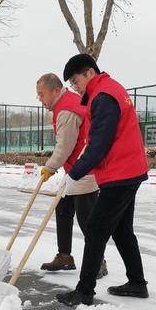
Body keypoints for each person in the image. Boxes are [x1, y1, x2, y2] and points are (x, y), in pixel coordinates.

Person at [56, 54, 149, 307]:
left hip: (121, 172)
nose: (76, 88)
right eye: (72, 85)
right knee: (121, 229)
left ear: (89, 73)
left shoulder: (104, 96)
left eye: (76, 82)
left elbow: (99, 145)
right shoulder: (108, 90)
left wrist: (73, 174)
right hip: (126, 169)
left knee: (96, 229)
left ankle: (84, 291)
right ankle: (137, 283)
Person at [36, 73, 107, 279]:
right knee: (63, 208)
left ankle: (99, 260)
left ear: (55, 91)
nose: (40, 99)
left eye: (42, 95)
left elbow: (64, 146)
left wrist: (50, 167)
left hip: (84, 170)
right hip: (75, 170)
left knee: (87, 219)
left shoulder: (66, 109)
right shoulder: (66, 104)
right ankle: (65, 256)